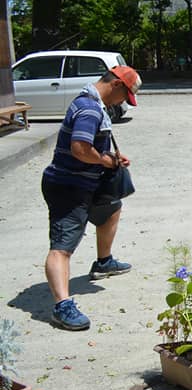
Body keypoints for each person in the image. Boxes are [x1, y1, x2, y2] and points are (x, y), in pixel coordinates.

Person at [41, 67, 141, 331]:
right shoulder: (90, 109)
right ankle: (62, 306)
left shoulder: (93, 104)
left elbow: (90, 148)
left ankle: (104, 261)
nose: (122, 102)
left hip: (88, 183)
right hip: (68, 186)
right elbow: (80, 149)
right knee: (62, 247)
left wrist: (111, 160)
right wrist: (105, 160)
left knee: (111, 208)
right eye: (125, 96)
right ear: (117, 85)